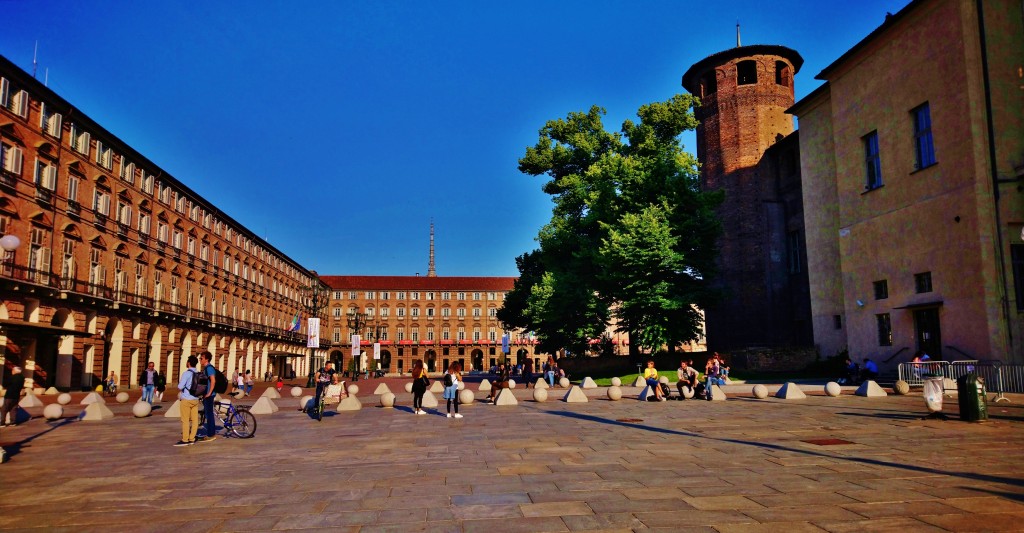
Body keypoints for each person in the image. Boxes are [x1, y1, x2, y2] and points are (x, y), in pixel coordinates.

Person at [175, 355, 201, 447]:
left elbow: (180, 386)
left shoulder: (186, 373)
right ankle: (192, 438)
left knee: (185, 420)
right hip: (196, 399)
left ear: (188, 363)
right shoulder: (198, 373)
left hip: (186, 399)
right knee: (195, 420)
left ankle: (185, 439)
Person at [198, 351, 218, 442]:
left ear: (206, 359)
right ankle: (210, 433)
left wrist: (209, 393)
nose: (200, 359)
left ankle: (211, 434)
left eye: (201, 358)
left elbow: (213, 381)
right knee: (208, 414)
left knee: (209, 414)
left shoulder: (209, 368)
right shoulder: (206, 368)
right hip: (207, 394)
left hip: (209, 395)